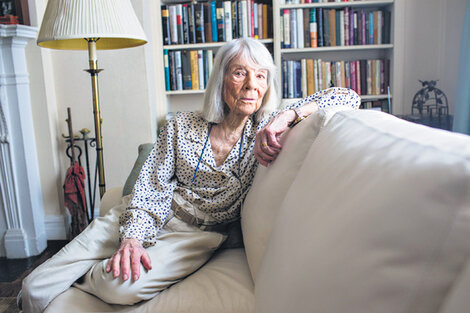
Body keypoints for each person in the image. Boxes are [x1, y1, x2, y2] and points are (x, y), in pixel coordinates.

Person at [20, 38, 360, 312]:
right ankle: (82, 272)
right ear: (221, 79)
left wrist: (289, 117)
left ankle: (82, 280)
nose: (251, 85)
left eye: (261, 76)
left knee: (118, 285)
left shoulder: (267, 127)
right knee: (34, 288)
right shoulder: (180, 125)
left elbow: (347, 96)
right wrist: (131, 238)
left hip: (193, 235)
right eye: (240, 73)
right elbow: (152, 185)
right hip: (137, 214)